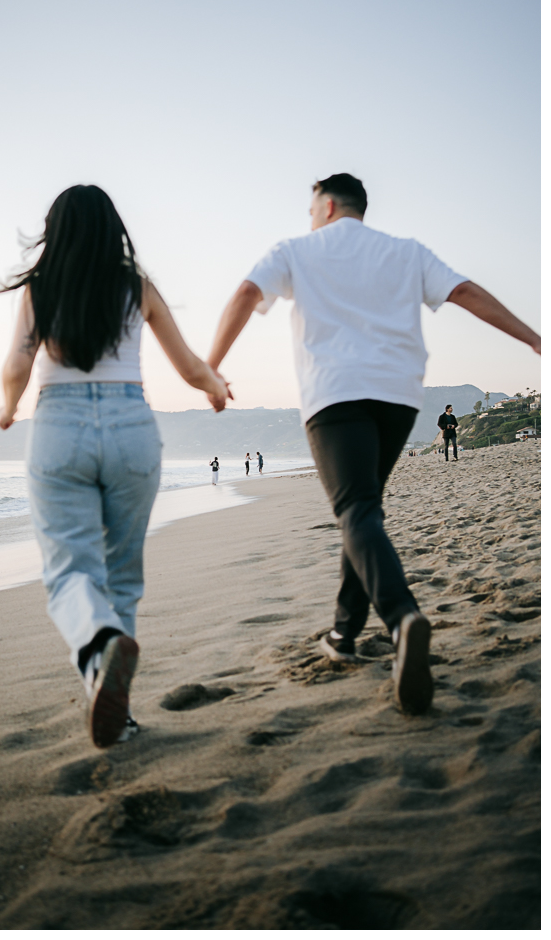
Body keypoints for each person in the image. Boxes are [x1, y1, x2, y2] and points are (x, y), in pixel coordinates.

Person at [206, 172, 540, 716]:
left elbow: (246, 293)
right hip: (398, 398)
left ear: (328, 205)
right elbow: (465, 292)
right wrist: (531, 336)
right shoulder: (405, 251)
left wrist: (210, 368)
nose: (309, 218)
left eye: (311, 209)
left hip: (335, 397)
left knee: (356, 509)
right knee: (362, 510)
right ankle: (344, 633)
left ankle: (403, 615)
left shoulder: (297, 248)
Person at [0, 185, 230, 749]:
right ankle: (117, 708)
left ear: (56, 231)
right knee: (121, 575)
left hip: (59, 431)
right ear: (112, 228)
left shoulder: (39, 288)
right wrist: (215, 388)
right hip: (130, 428)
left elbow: (17, 362)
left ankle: (98, 649)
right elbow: (191, 365)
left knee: (71, 570)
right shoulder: (136, 285)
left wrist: (6, 408)